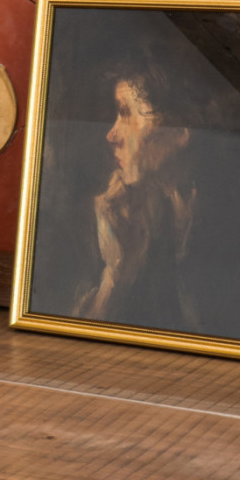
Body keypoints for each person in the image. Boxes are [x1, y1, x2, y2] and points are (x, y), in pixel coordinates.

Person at [77, 51, 203, 329]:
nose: (111, 135)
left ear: (178, 132)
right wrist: (115, 273)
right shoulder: (119, 210)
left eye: (125, 113)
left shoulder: (226, 224)